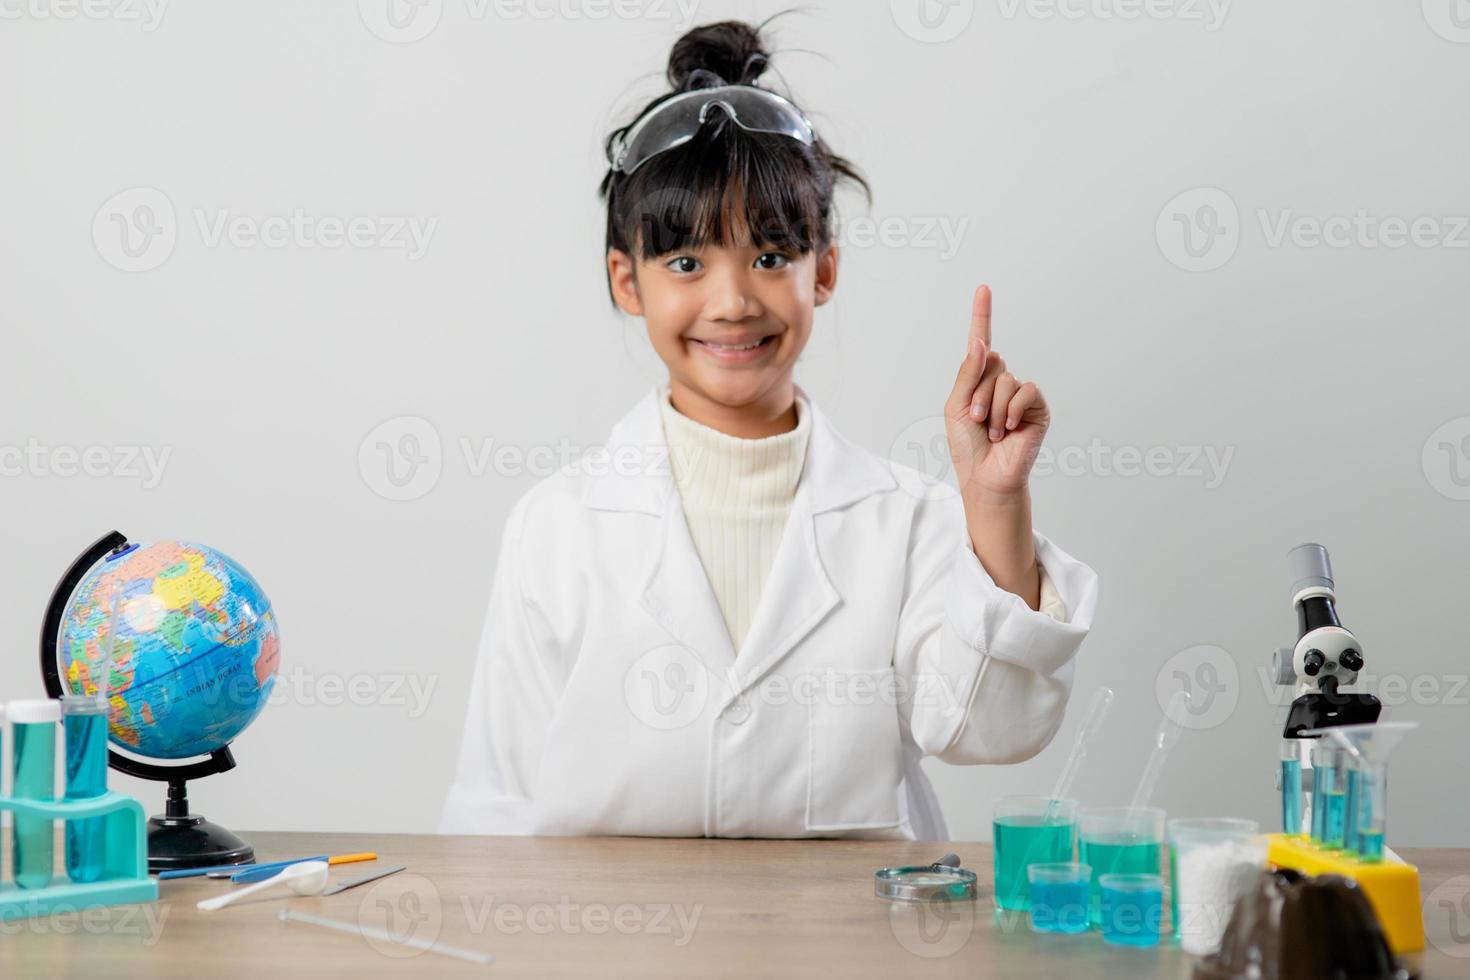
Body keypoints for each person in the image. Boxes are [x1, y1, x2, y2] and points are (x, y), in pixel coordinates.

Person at [440, 17, 1099, 841]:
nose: (732, 302)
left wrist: (996, 504)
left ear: (822, 269)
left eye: (770, 257)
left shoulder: (904, 518)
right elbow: (493, 803)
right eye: (686, 263)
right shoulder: (557, 525)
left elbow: (988, 731)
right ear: (627, 280)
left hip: (850, 952)